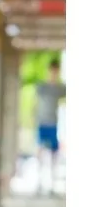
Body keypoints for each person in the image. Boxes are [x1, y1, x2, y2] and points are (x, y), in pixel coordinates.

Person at [34, 57, 66, 194]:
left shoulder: (60, 89)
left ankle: (52, 183)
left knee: (54, 153)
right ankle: (39, 182)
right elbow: (35, 104)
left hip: (53, 123)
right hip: (42, 122)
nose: (54, 74)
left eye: (56, 72)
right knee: (40, 152)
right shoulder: (42, 87)